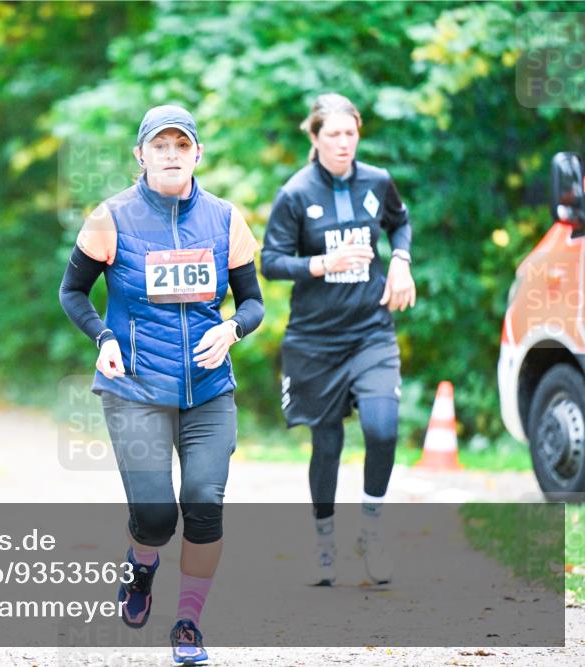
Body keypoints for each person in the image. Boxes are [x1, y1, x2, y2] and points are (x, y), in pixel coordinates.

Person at [59, 105, 264, 665]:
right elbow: (72, 293)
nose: (171, 155)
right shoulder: (111, 218)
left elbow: (253, 302)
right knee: (155, 518)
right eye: (160, 146)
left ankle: (188, 624)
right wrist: (103, 337)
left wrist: (233, 328)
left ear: (198, 153)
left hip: (208, 388)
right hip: (136, 389)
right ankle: (141, 570)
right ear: (141, 156)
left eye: (181, 145)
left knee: (204, 504)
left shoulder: (225, 219)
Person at [260, 93, 416, 587]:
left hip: (370, 330)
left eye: (351, 133)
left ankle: (370, 531)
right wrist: (320, 264)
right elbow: (270, 261)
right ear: (314, 137)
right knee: (326, 445)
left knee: (384, 428)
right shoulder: (295, 193)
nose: (344, 143)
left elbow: (401, 222)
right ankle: (324, 543)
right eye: (334, 135)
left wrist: (400, 261)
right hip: (316, 340)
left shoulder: (377, 181)